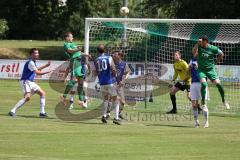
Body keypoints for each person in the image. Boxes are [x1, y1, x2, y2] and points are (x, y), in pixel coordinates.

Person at [9, 48, 51, 117]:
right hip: (25, 81)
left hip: (30, 82)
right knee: (27, 97)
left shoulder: (33, 62)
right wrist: (48, 71)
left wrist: (46, 66)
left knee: (42, 93)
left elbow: (37, 69)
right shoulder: (31, 62)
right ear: (32, 54)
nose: (37, 54)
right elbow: (37, 72)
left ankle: (42, 112)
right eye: (36, 53)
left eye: (38, 53)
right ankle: (12, 110)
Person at [192, 35, 230, 111]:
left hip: (210, 70)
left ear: (206, 41)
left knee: (219, 84)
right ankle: (203, 103)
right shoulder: (199, 46)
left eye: (202, 41)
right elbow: (193, 53)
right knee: (204, 84)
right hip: (201, 70)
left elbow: (221, 54)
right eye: (200, 41)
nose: (201, 43)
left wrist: (216, 62)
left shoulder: (213, 48)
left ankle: (224, 100)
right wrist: (197, 44)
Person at [60, 32, 90, 108]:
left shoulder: (73, 44)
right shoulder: (66, 44)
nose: (72, 38)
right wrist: (77, 49)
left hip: (79, 62)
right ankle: (63, 96)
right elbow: (71, 51)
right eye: (71, 37)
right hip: (75, 61)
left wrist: (86, 54)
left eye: (72, 37)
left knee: (81, 81)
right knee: (73, 79)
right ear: (67, 38)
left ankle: (81, 99)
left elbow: (79, 52)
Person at [93, 44, 121, 125]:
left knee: (105, 99)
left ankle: (104, 116)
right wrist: (115, 75)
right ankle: (116, 118)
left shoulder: (96, 60)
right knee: (116, 99)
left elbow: (95, 72)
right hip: (110, 82)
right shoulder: (109, 58)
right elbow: (113, 68)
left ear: (97, 51)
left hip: (102, 83)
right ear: (104, 50)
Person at [106, 50, 131, 119]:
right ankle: (108, 113)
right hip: (111, 83)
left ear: (119, 56)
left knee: (122, 102)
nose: (113, 55)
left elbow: (128, 73)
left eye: (115, 54)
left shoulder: (124, 64)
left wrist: (123, 80)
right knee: (110, 98)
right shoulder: (111, 63)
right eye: (113, 54)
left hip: (119, 85)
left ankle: (118, 113)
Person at [189, 58, 210, 128]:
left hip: (202, 83)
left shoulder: (205, 60)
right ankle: (196, 122)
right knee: (194, 104)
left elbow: (208, 72)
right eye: (195, 52)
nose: (196, 53)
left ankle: (206, 122)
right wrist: (189, 68)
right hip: (193, 84)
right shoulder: (192, 60)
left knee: (203, 104)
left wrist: (199, 67)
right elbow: (187, 72)